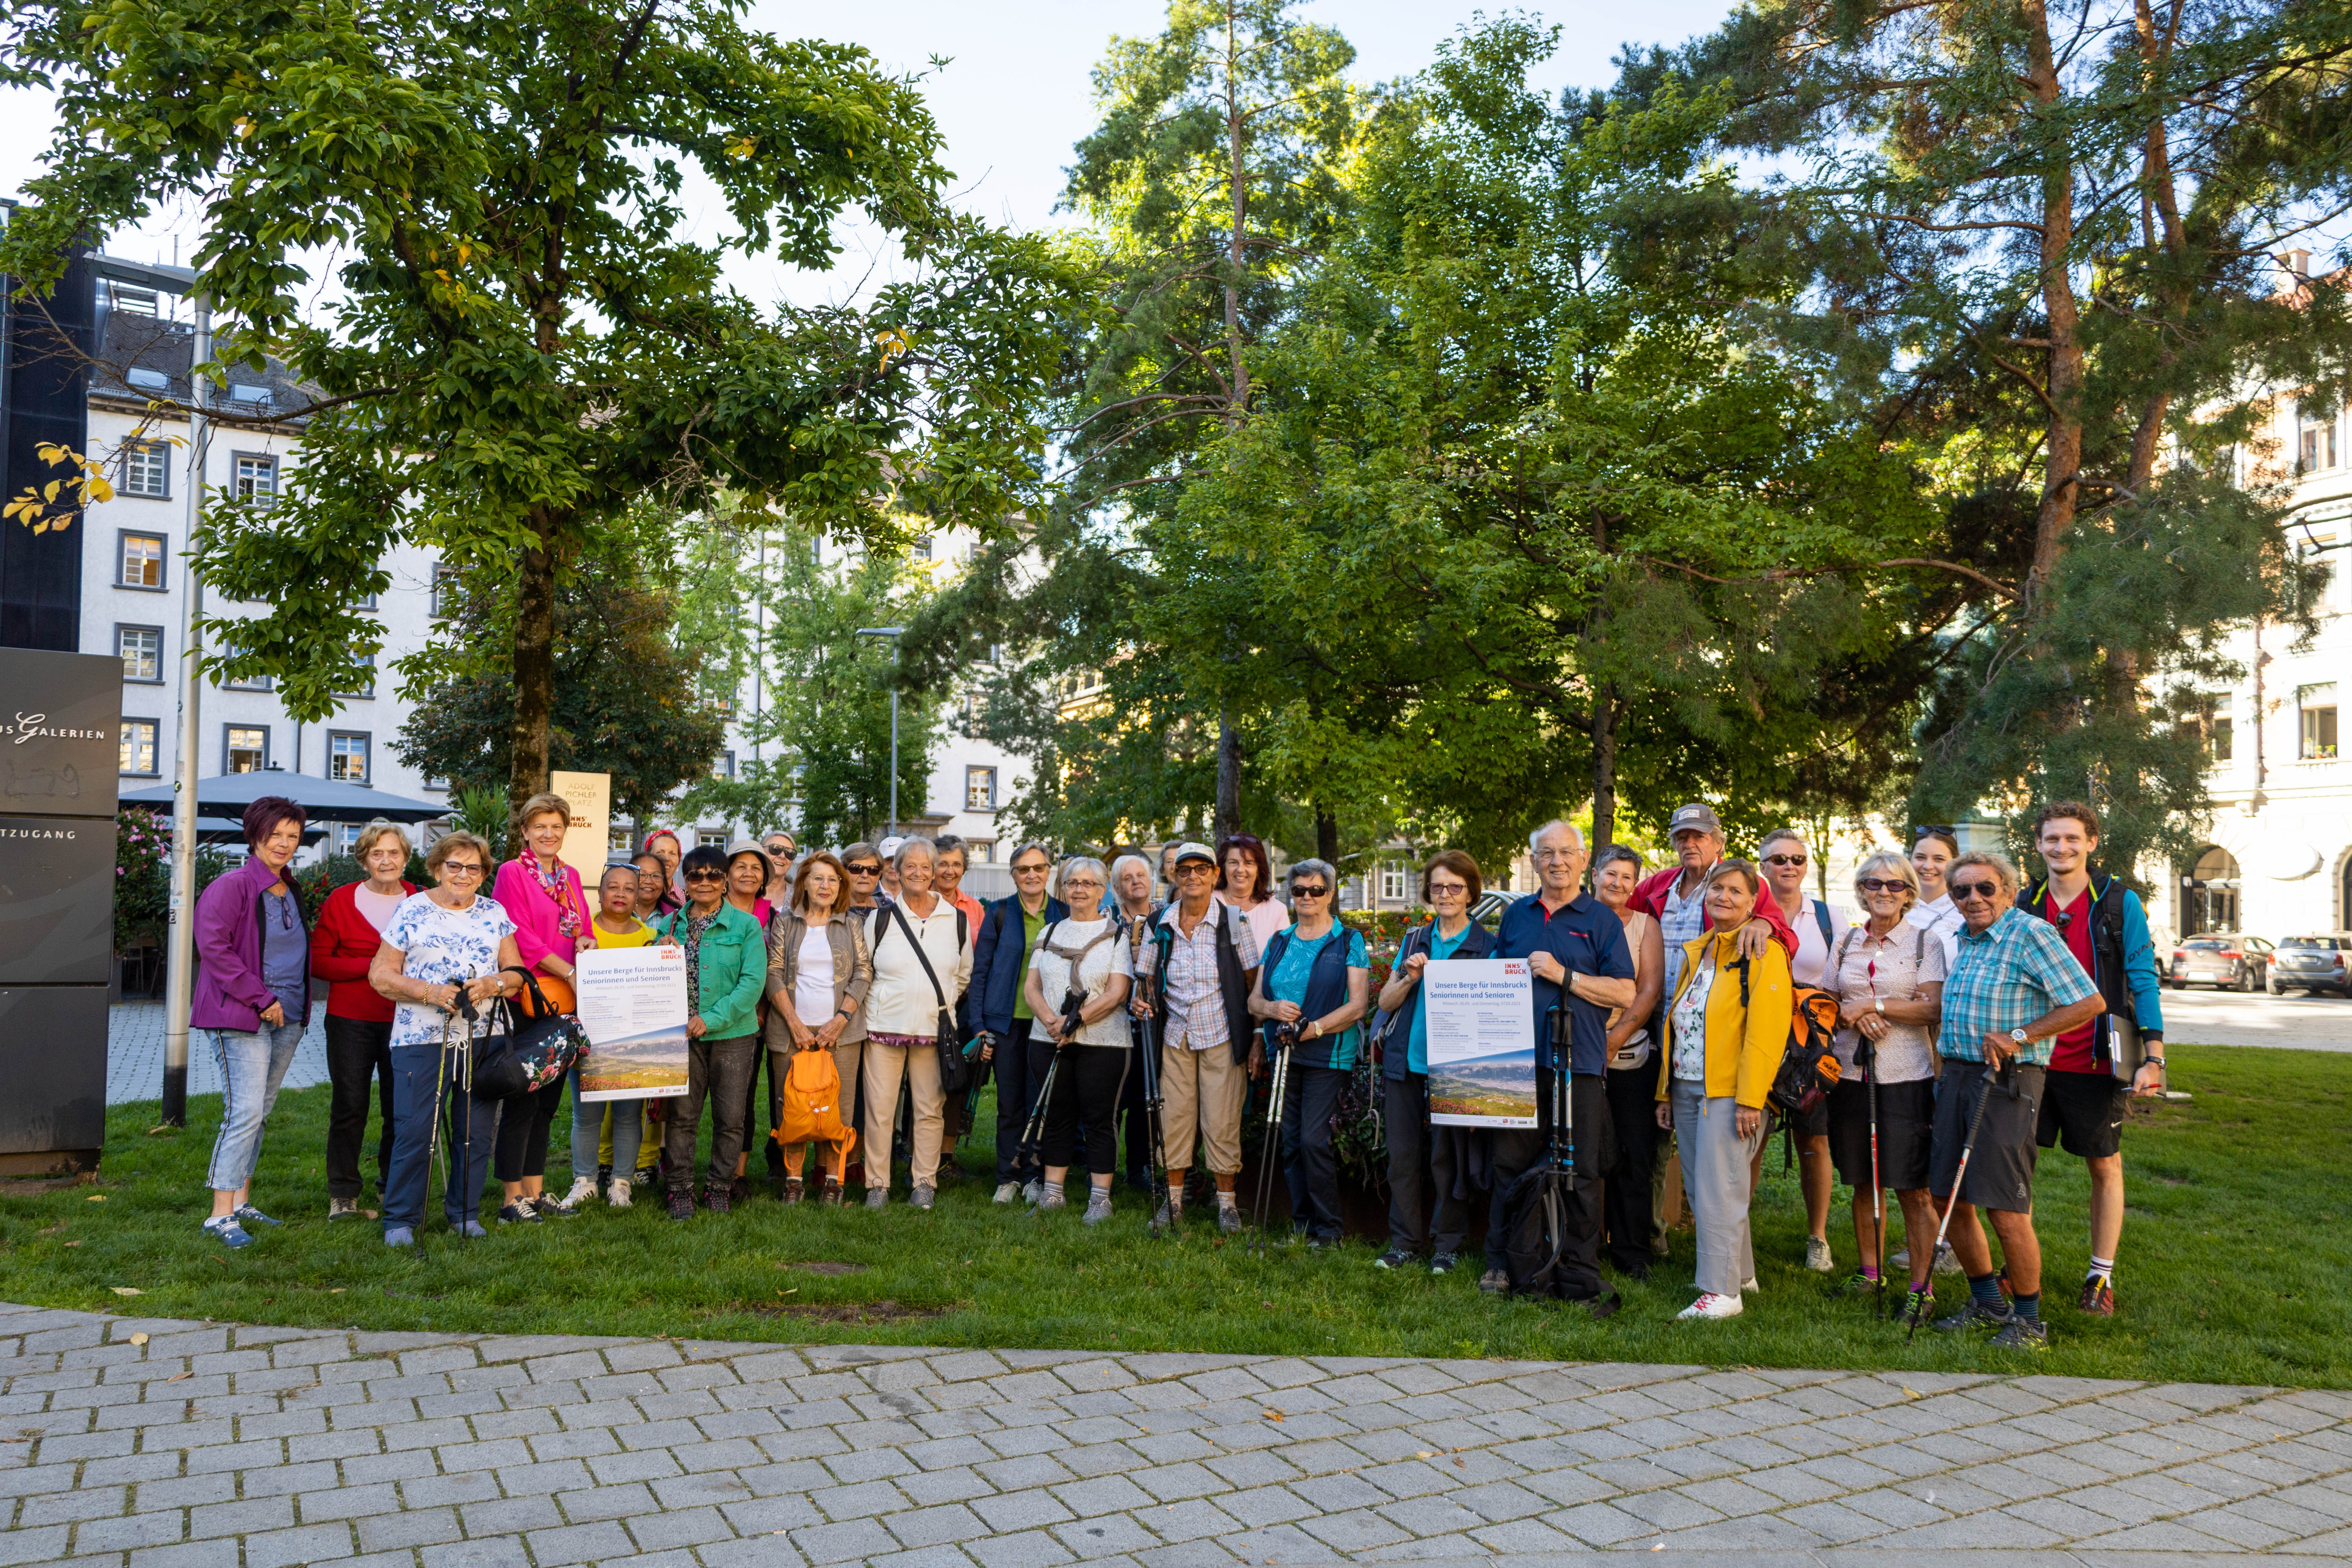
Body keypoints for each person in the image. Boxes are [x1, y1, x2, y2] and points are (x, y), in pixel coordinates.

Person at [1931, 850, 2103, 1349]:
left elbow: (2089, 1001)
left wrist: (2020, 1034)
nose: (1974, 898)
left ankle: (2029, 1321)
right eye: (1961, 890)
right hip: (1958, 1078)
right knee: (1947, 1196)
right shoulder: (1965, 937)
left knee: (2005, 1207)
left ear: (2008, 891)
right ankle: (1986, 1303)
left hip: (2009, 1080)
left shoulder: (2031, 934)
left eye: (1985, 888)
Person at [2014, 801, 2167, 1318]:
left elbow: (2142, 978)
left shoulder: (2119, 902)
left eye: (2072, 838)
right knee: (2020, 1163)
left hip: (2099, 1058)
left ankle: (2100, 1276)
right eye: (2052, 839)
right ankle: (2022, 1266)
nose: (2062, 847)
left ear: (2092, 843)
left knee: (2104, 1164)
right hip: (2034, 1056)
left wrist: (2154, 1056)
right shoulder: (2024, 901)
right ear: (2038, 844)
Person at [1492, 822, 1636, 1305]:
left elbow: (1624, 991)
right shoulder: (1516, 915)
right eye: (1547, 853)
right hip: (1516, 1062)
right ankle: (1510, 1262)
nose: (1557, 861)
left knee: (1582, 1168)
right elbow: (1494, 978)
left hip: (1580, 1062)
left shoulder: (1601, 919)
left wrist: (1564, 975)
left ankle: (1578, 1264)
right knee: (1510, 1163)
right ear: (1534, 861)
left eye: (1566, 852)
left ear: (1582, 861)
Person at [369, 831, 528, 1245]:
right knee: (415, 1129)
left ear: (483, 874)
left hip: (483, 1038)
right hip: (420, 1038)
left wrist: (492, 983)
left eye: (473, 867)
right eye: (453, 865)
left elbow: (517, 974)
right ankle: (401, 1219)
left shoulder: (495, 912)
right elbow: (380, 974)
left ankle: (464, 1214)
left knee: (475, 1131)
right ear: (437, 868)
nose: (462, 874)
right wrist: (430, 992)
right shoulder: (412, 909)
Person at [1655, 860, 1786, 1319]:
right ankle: (1742, 1273)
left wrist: (1751, 1097)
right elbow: (1679, 1023)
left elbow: (1766, 1033)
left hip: (1730, 1092)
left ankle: (1721, 1292)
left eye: (1735, 891)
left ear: (1754, 902)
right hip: (1689, 1084)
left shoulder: (1763, 952)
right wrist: (1666, 1091)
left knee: (1719, 1189)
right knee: (1705, 1184)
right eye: (1717, 888)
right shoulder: (1701, 949)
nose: (1724, 897)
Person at [1824, 850, 1946, 1317]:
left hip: (1905, 1076)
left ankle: (1922, 1286)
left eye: (1895, 885)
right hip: (1851, 1073)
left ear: (1909, 894)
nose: (1883, 892)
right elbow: (1829, 1002)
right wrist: (1855, 1013)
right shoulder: (1845, 942)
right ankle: (1870, 1271)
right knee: (1862, 1179)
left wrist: (1871, 1008)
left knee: (1910, 1185)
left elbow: (1931, 1008)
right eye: (1874, 883)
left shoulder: (1924, 943)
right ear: (1861, 890)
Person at [191, 796, 314, 1248]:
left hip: (290, 1016)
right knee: (242, 1111)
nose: (284, 843)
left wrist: (293, 1006)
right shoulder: (233, 885)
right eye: (275, 834)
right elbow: (214, 950)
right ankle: (219, 1215)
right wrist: (262, 998)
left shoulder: (289, 888)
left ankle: (242, 1201)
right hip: (240, 1014)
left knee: (260, 1112)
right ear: (255, 833)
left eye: (292, 836)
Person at [1372, 851, 1497, 1273]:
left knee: (1450, 1161)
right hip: (1407, 1061)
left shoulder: (1487, 946)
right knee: (1403, 1158)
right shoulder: (1413, 941)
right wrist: (1409, 977)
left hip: (1458, 1069)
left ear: (1470, 893)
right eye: (1438, 886)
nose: (1445, 894)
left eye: (1455, 887)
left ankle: (1447, 1244)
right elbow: (1385, 1003)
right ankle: (1404, 1242)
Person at [1246, 859, 1370, 1245]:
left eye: (1316, 890)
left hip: (1327, 1053)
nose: (1307, 897)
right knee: (1290, 1140)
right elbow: (1254, 1000)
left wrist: (1315, 1028)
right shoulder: (1279, 940)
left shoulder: (1348, 941)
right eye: (1299, 890)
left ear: (1330, 894)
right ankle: (1302, 1226)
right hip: (1283, 1050)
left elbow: (1358, 1005)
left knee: (1313, 1141)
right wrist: (1272, 1010)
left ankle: (1329, 1230)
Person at [1144, 841, 1262, 1231]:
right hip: (1175, 1034)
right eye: (1184, 870)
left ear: (1215, 874)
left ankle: (1226, 1205)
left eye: (1201, 869)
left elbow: (1251, 981)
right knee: (1173, 1118)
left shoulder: (1234, 921)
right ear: (1174, 876)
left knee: (1222, 1120)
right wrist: (1139, 1001)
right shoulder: (1157, 922)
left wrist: (1257, 1033)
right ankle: (1173, 1203)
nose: (1192, 877)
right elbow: (1145, 980)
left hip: (1221, 1034)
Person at [308, 819, 415, 1221]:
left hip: (406, 1019)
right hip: (350, 1019)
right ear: (364, 860)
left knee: (399, 1107)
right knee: (350, 1105)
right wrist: (373, 966)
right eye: (377, 853)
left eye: (393, 853)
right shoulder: (341, 900)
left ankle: (392, 1186)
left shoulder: (421, 900)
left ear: (406, 859)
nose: (386, 860)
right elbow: (319, 961)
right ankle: (343, 1194)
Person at [1758, 826, 1854, 1273]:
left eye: (1797, 859)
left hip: (1810, 1045)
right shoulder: (1748, 909)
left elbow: (1841, 979)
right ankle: (1737, 1233)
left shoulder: (1829, 915)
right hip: (1759, 1036)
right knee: (1751, 1134)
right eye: (1779, 859)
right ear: (1764, 866)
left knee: (1814, 1137)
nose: (1789, 866)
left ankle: (1818, 1237)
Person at [1019, 858, 1137, 1221]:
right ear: (1064, 888)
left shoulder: (1117, 933)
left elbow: (1118, 991)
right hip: (1047, 1038)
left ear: (1102, 890)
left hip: (1104, 1043)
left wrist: (1076, 1021)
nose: (1079, 889)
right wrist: (1052, 1022)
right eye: (1072, 882)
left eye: (1088, 883)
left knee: (1100, 1119)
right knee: (1056, 1116)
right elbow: (1032, 986)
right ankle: (1053, 1193)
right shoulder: (1050, 932)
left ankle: (1100, 1199)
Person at [859, 836, 973, 1209]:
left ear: (938, 870)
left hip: (933, 1029)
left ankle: (924, 1181)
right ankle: (878, 1183)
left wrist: (936, 1006)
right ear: (897, 871)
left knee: (929, 1109)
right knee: (880, 1109)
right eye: (911, 866)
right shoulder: (881, 918)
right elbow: (867, 970)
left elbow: (963, 975)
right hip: (883, 1026)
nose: (919, 873)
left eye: (927, 866)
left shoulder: (955, 920)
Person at [489, 794, 587, 1223]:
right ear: (526, 831)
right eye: (540, 826)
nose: (549, 833)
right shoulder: (513, 872)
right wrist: (568, 969)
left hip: (564, 1000)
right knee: (523, 1098)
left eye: (556, 826)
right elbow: (518, 935)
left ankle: (536, 1189)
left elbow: (579, 924)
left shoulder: (571, 875)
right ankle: (512, 1198)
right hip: (527, 998)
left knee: (548, 1101)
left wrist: (585, 942)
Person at [655, 845, 768, 1219]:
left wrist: (712, 1018)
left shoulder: (746, 926)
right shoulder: (667, 926)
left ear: (724, 882)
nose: (704, 882)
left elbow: (752, 983)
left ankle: (719, 1186)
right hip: (683, 1036)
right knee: (683, 1117)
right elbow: (649, 981)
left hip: (733, 1034)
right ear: (683, 882)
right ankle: (680, 1190)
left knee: (731, 1117)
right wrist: (657, 952)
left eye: (713, 875)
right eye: (695, 876)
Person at [764, 850, 872, 1204]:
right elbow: (773, 973)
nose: (825, 885)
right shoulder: (785, 922)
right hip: (792, 1032)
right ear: (804, 883)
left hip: (840, 1033)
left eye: (832, 879)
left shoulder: (851, 923)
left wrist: (840, 1020)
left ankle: (832, 1183)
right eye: (817, 878)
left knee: (835, 1111)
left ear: (840, 885)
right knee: (793, 1111)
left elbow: (863, 973)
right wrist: (794, 1024)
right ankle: (793, 1182)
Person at [560, 865, 662, 1210]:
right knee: (586, 1116)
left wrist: (667, 954)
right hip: (590, 1037)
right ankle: (584, 1181)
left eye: (629, 888)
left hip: (634, 1039)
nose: (620, 894)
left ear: (638, 895)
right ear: (600, 893)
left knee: (629, 1116)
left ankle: (622, 1182)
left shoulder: (650, 936)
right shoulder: (579, 934)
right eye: (613, 887)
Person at [971, 842, 1067, 1202]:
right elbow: (981, 972)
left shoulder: (1064, 913)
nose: (1031, 875)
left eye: (1038, 868)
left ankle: (1035, 1176)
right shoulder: (998, 913)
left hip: (1048, 1024)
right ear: (1013, 874)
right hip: (1006, 1024)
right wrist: (979, 1024)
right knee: (1009, 1103)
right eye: (1023, 869)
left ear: (1048, 872)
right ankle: (1007, 1177)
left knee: (1041, 1103)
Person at [1629, 803, 1797, 1007]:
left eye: (1699, 837)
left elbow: (1789, 942)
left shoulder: (1745, 882)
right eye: (1682, 838)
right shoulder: (1658, 884)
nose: (1689, 845)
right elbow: (1621, 918)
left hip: (1709, 1014)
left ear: (1718, 843)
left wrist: (1766, 924)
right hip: (1651, 1012)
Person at [1591, 845, 1665, 1279]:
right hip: (1579, 1050)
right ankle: (1584, 1241)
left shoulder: (1645, 926)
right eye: (1611, 874)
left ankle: (1633, 1250)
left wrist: (1615, 1039)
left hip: (1631, 1054)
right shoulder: (1576, 919)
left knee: (1634, 1151)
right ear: (1595, 874)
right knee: (1583, 1149)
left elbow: (1650, 988)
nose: (1618, 884)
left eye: (1627, 877)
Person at [722, 838, 777, 1199]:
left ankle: (737, 1174)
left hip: (755, 1020)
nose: (748, 873)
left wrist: (762, 1010)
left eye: (756, 868)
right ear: (726, 874)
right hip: (706, 1018)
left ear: (764, 878)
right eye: (740, 866)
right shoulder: (709, 908)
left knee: (741, 1098)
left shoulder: (773, 917)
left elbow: (778, 969)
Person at [931, 833, 986, 1183]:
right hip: (927, 1005)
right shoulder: (919, 902)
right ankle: (913, 1149)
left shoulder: (974, 908)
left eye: (956, 864)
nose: (949, 870)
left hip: (963, 1007)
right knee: (922, 1083)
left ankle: (946, 1157)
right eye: (942, 863)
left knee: (956, 1081)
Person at [1110, 853, 1162, 1193]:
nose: (1135, 882)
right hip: (1113, 1019)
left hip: (1152, 1019)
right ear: (1117, 886)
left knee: (1147, 1094)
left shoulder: (1167, 916)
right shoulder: (1106, 919)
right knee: (1112, 1098)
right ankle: (1104, 1168)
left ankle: (1141, 1167)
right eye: (1127, 877)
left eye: (1141, 874)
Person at [1218, 832, 1290, 952]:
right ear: (1223, 867)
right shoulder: (1208, 903)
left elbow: (1283, 961)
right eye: (1233, 862)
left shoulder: (1277, 911)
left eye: (1248, 863)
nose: (1240, 870)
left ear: (1259, 869)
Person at [1907, 827, 1964, 967]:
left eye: (1939, 859)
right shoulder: (1895, 908)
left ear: (1955, 864)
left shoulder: (1967, 912)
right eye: (1920, 858)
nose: (1928, 866)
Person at [641, 828, 685, 912]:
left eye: (672, 854)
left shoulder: (688, 899)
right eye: (660, 852)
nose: (667, 859)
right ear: (648, 857)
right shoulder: (635, 895)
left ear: (679, 861)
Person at [841, 842, 886, 913]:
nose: (865, 875)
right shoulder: (831, 908)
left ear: (879, 876)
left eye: (873, 870)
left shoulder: (887, 907)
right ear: (844, 873)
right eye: (856, 868)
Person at [762, 830, 798, 908]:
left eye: (789, 853)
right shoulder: (748, 889)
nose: (782, 856)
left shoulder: (799, 896)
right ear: (762, 852)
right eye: (775, 849)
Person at [633, 853, 670, 921]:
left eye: (656, 876)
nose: (649, 881)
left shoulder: (674, 918)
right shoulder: (615, 913)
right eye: (642, 875)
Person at [876, 835, 906, 902]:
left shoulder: (915, 894)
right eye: (888, 860)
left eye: (898, 860)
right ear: (880, 863)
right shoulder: (868, 893)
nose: (893, 866)